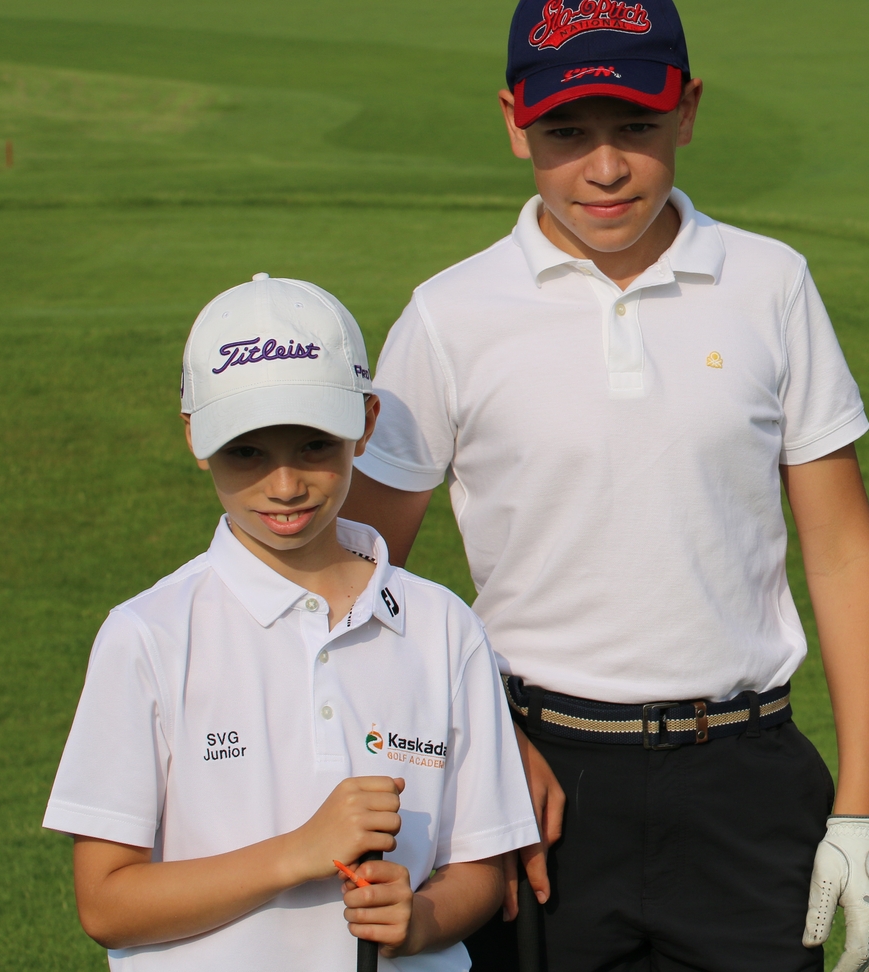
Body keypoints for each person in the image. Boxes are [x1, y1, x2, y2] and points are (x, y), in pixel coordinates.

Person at [340, 0, 869, 972]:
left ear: (687, 109)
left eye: (636, 127)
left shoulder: (770, 283)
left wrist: (862, 804)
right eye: (566, 133)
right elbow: (363, 578)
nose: (604, 168)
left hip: (746, 775)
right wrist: (482, 740)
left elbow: (843, 549)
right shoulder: (449, 314)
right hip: (538, 781)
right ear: (514, 121)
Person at [44, 273, 539, 970]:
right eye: (246, 451)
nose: (284, 486)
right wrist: (298, 852)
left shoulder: (442, 626)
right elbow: (107, 904)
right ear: (195, 437)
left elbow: (479, 869)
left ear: (366, 423)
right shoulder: (149, 634)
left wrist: (419, 922)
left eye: (314, 445)